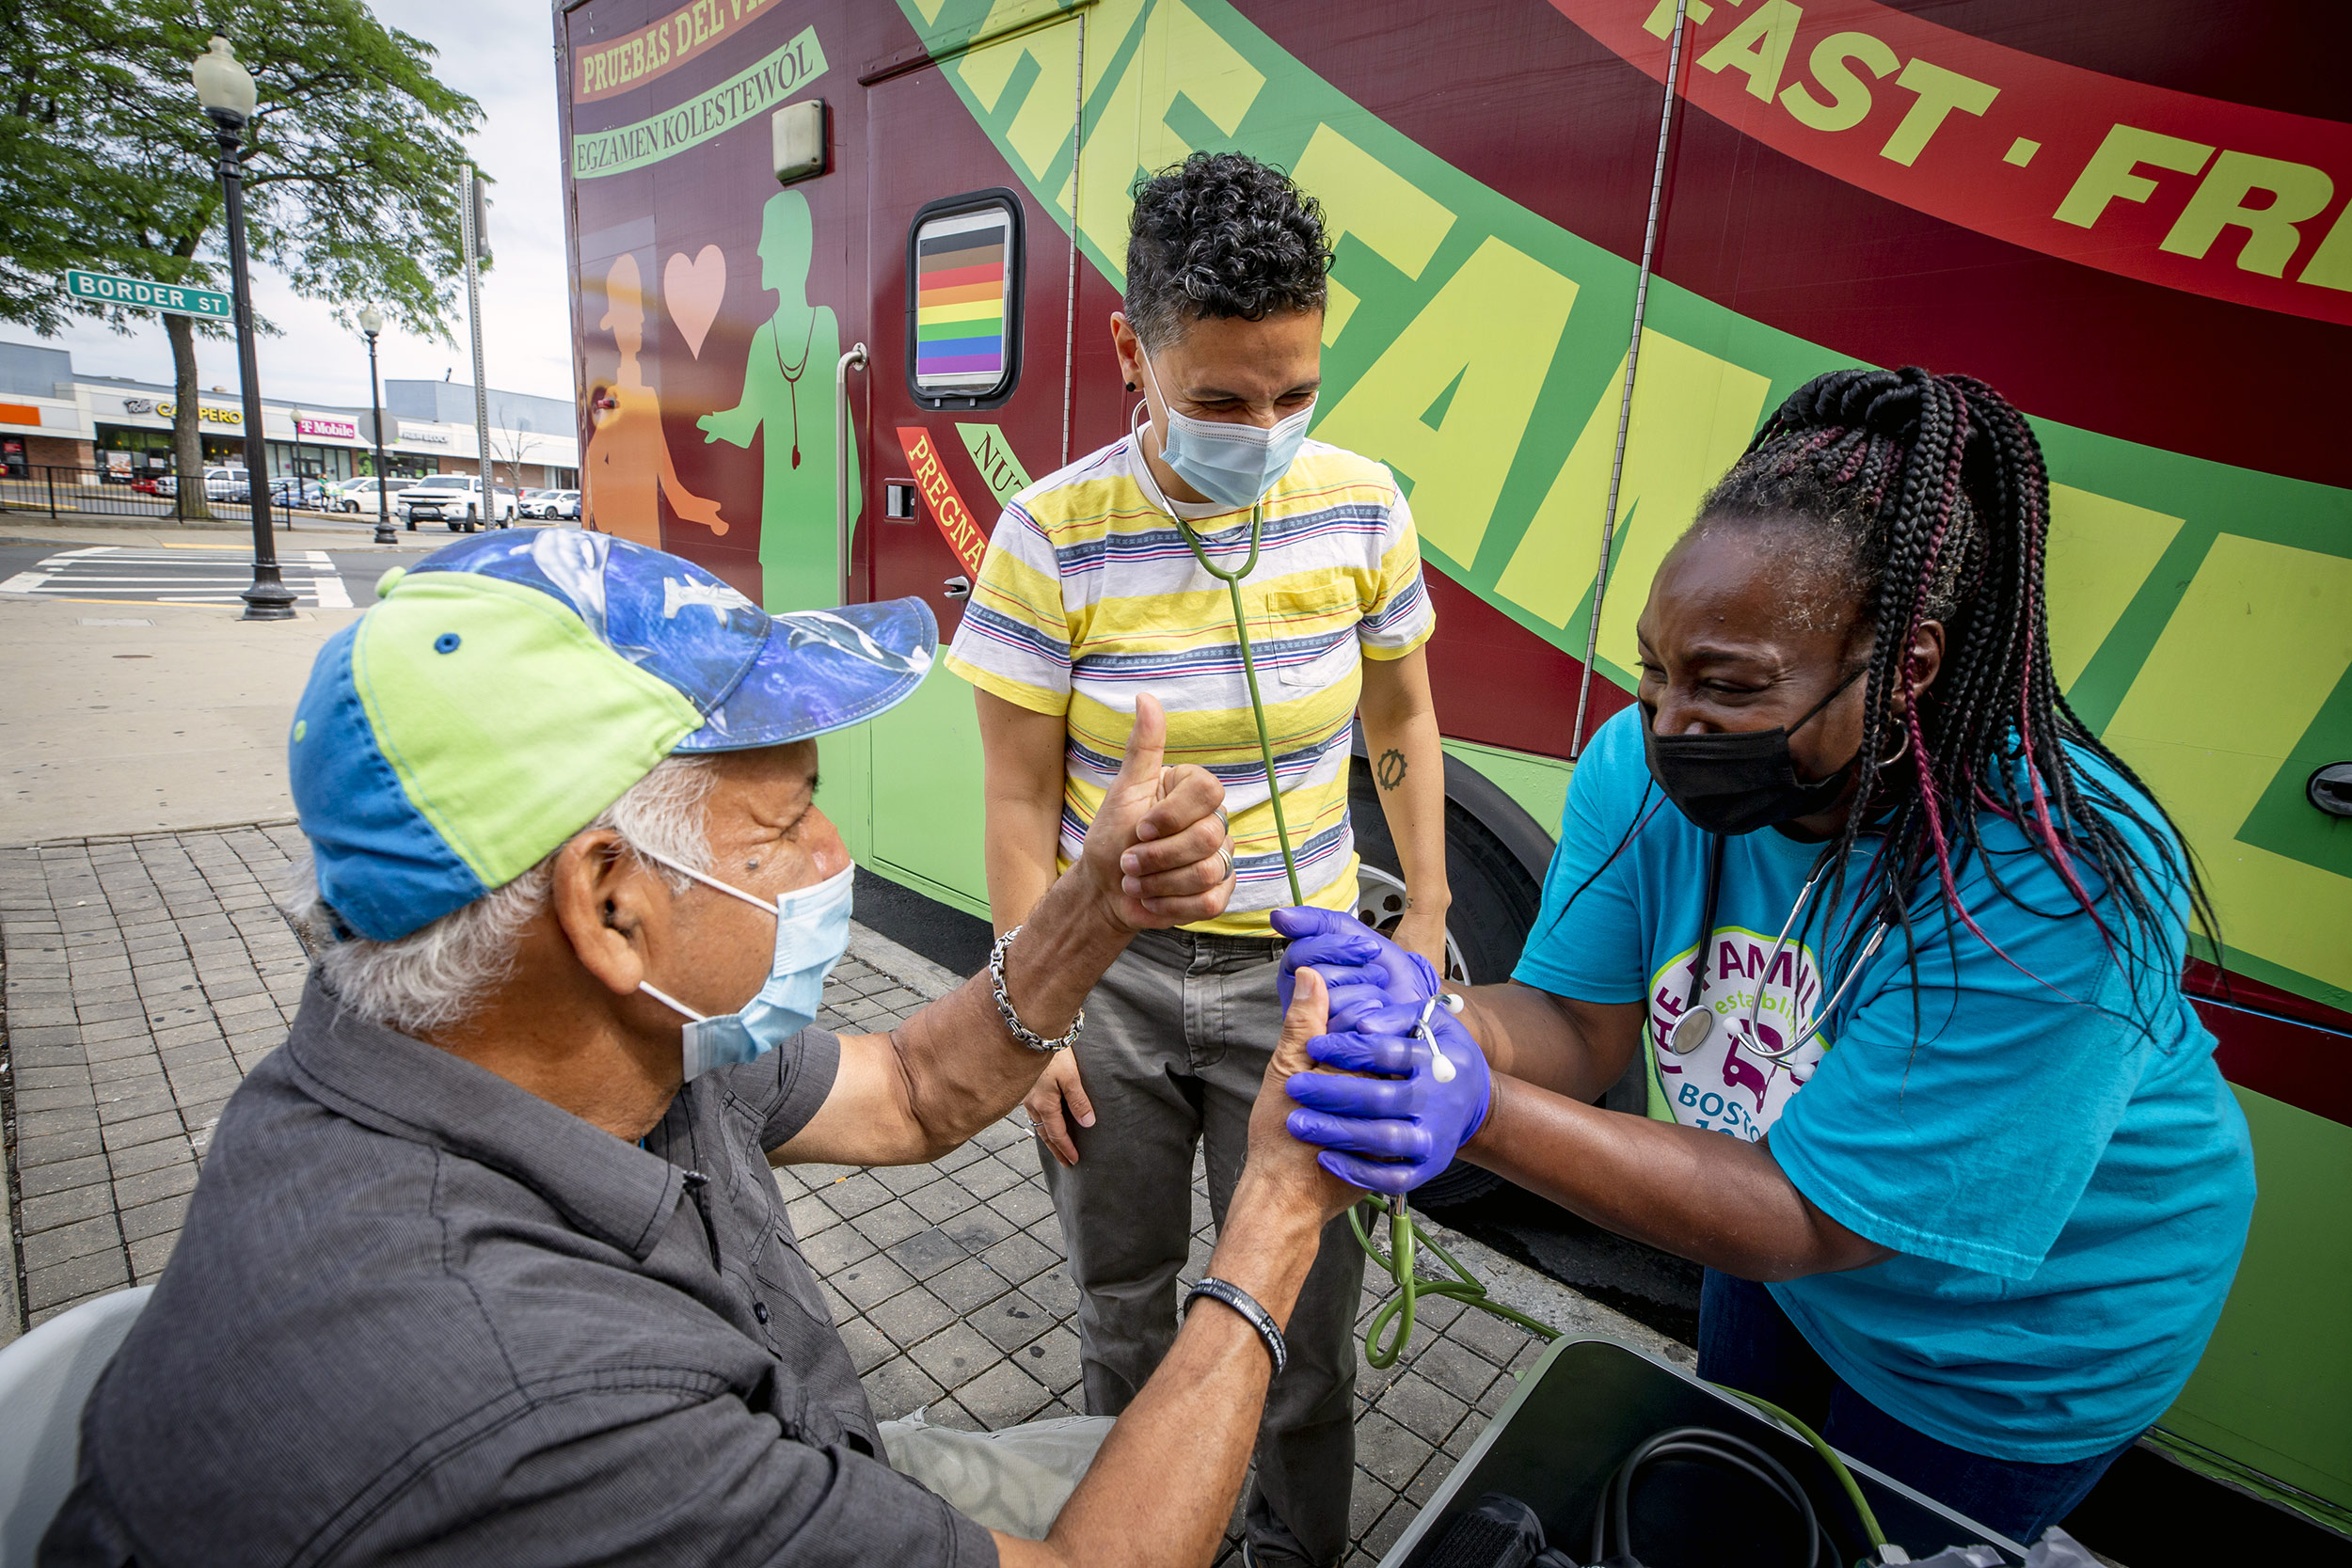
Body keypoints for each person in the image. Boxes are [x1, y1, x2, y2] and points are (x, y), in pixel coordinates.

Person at [40, 530, 1361, 1568]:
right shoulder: (534, 1392)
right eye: (787, 823)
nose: (836, 859)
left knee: (1147, 1448)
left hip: (794, 1453)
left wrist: (1098, 902)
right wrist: (1281, 1209)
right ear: (610, 901)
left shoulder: (557, 1040)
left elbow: (908, 1091)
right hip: (734, 1472)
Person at [1273, 368, 2258, 1544]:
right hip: (1764, 1232)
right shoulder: (1635, 772)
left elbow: (1815, 1215)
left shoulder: (2055, 874)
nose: (1666, 723)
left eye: (1726, 685)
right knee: (1715, 1504)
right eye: (1652, 670)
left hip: (2007, 1339)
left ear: (1907, 666)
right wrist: (1447, 1021)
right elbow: (1577, 1025)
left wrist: (1474, 1111)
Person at [943, 150, 1448, 1568]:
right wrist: (1025, 1009)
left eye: (1297, 392)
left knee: (1304, 1314)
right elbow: (1013, 794)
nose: (1267, 428)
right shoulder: (1050, 534)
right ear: (1130, 352)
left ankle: (1293, 1546)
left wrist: (1429, 917)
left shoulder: (1361, 507)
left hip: (1306, 981)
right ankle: (1147, 1538)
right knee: (1123, 1297)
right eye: (1222, 399)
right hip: (1109, 987)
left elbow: (1404, 716)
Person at [700, 190, 855, 612]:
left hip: (825, 528)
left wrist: (853, 506)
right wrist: (712, 421)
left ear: (792, 248)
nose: (760, 250)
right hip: (781, 533)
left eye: (769, 239)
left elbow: (846, 430)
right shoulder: (762, 338)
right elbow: (749, 422)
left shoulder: (826, 324)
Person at [582, 250, 728, 546]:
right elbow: (592, 496)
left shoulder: (648, 398)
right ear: (609, 320)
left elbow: (672, 490)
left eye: (638, 306)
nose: (637, 318)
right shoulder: (611, 401)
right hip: (623, 547)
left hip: (651, 546)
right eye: (626, 308)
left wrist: (705, 513)